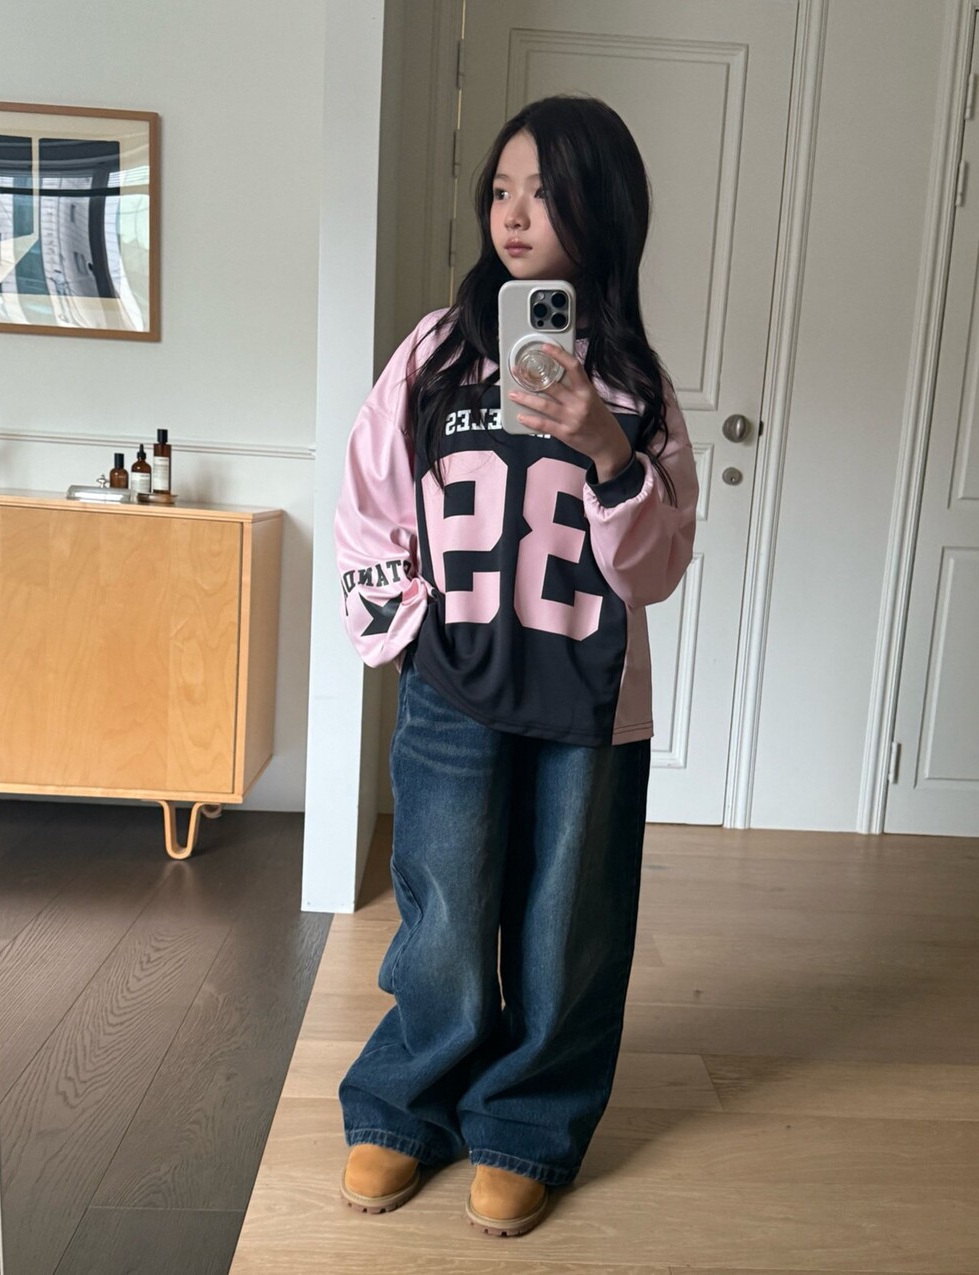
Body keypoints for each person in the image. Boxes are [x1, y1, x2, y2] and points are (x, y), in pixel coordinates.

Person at [333, 95, 698, 1237]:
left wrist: (606, 445)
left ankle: (527, 1122)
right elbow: (369, 499)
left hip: (589, 700)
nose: (515, 214)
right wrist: (406, 633)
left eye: (544, 191)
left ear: (603, 208)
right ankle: (406, 1103)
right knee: (442, 907)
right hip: (453, 683)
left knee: (565, 923)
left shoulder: (634, 383)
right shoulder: (436, 353)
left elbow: (659, 564)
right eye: (501, 189)